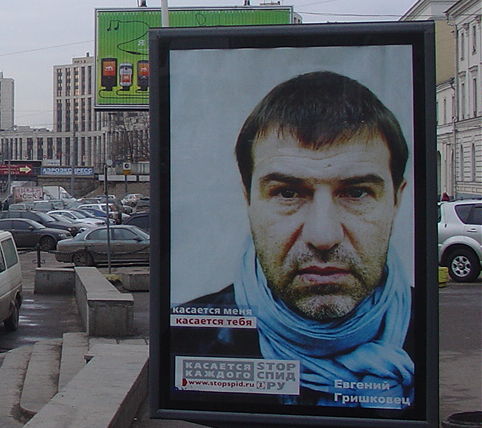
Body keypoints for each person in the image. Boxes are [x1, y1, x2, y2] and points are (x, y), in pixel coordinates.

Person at [170, 70, 413, 409]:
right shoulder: (187, 339)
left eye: (356, 192)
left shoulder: (423, 334)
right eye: (287, 193)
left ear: (397, 199)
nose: (323, 236)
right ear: (248, 199)